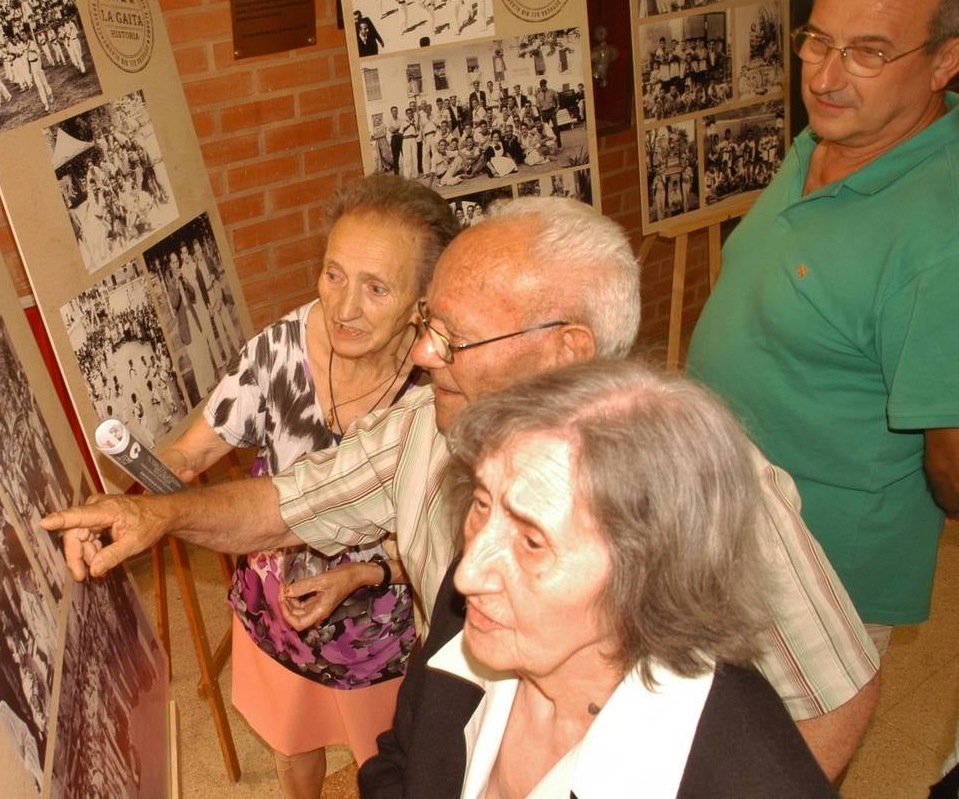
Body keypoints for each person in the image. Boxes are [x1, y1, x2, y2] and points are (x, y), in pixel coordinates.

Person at [44, 197, 881, 779]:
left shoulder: (707, 488)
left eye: (452, 337)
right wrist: (155, 512)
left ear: (565, 350)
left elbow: (833, 695)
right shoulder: (427, 429)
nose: (420, 356)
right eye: (426, 327)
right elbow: (281, 505)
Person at [360, 360, 835, 797]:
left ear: (649, 577)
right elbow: (402, 761)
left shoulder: (752, 778)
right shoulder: (473, 614)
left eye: (532, 542)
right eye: (483, 505)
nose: (466, 575)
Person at [687, 0, 959, 657]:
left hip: (816, 570)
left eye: (868, 53)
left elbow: (953, 464)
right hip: (724, 525)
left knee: (776, 768)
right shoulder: (830, 138)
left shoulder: (943, 230)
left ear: (944, 61)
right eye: (817, 40)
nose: (825, 77)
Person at [160, 175, 459, 798]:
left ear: (422, 300)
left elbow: (446, 548)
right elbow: (190, 452)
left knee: (393, 770)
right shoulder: (279, 349)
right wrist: (134, 499)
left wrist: (361, 573)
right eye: (333, 274)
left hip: (382, 638)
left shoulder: (442, 392)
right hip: (275, 616)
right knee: (291, 753)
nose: (344, 308)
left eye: (376, 287)